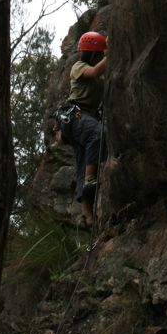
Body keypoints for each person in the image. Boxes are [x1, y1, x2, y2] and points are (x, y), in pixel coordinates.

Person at [63, 31, 107, 226]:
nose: (100, 58)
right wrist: (110, 55)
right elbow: (95, 71)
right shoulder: (78, 67)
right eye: (99, 55)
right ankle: (90, 180)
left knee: (83, 163)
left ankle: (88, 217)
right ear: (92, 54)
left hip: (82, 120)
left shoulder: (98, 81)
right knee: (99, 133)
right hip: (76, 115)